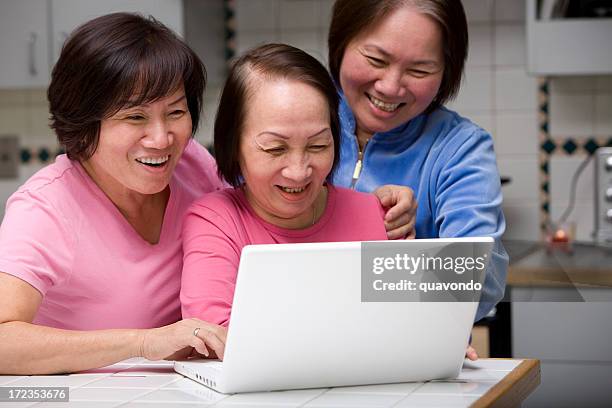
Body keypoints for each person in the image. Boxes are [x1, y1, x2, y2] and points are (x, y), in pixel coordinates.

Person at [0, 13, 414, 374]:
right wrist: (142, 343)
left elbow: (276, 190)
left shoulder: (189, 163)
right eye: (135, 117)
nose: (162, 138)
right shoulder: (45, 209)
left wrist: (369, 205)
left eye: (176, 112)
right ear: (84, 122)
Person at [327, 0, 509, 339]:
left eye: (419, 70)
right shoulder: (293, 114)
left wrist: (392, 255)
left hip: (414, 362)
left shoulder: (461, 147)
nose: (390, 87)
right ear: (341, 42)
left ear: (446, 73)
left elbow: (477, 279)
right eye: (376, 60)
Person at [181, 44, 388, 328]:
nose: (298, 171)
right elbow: (210, 331)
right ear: (233, 146)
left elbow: (405, 320)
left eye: (318, 145)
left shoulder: (372, 212)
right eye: (275, 149)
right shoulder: (215, 220)